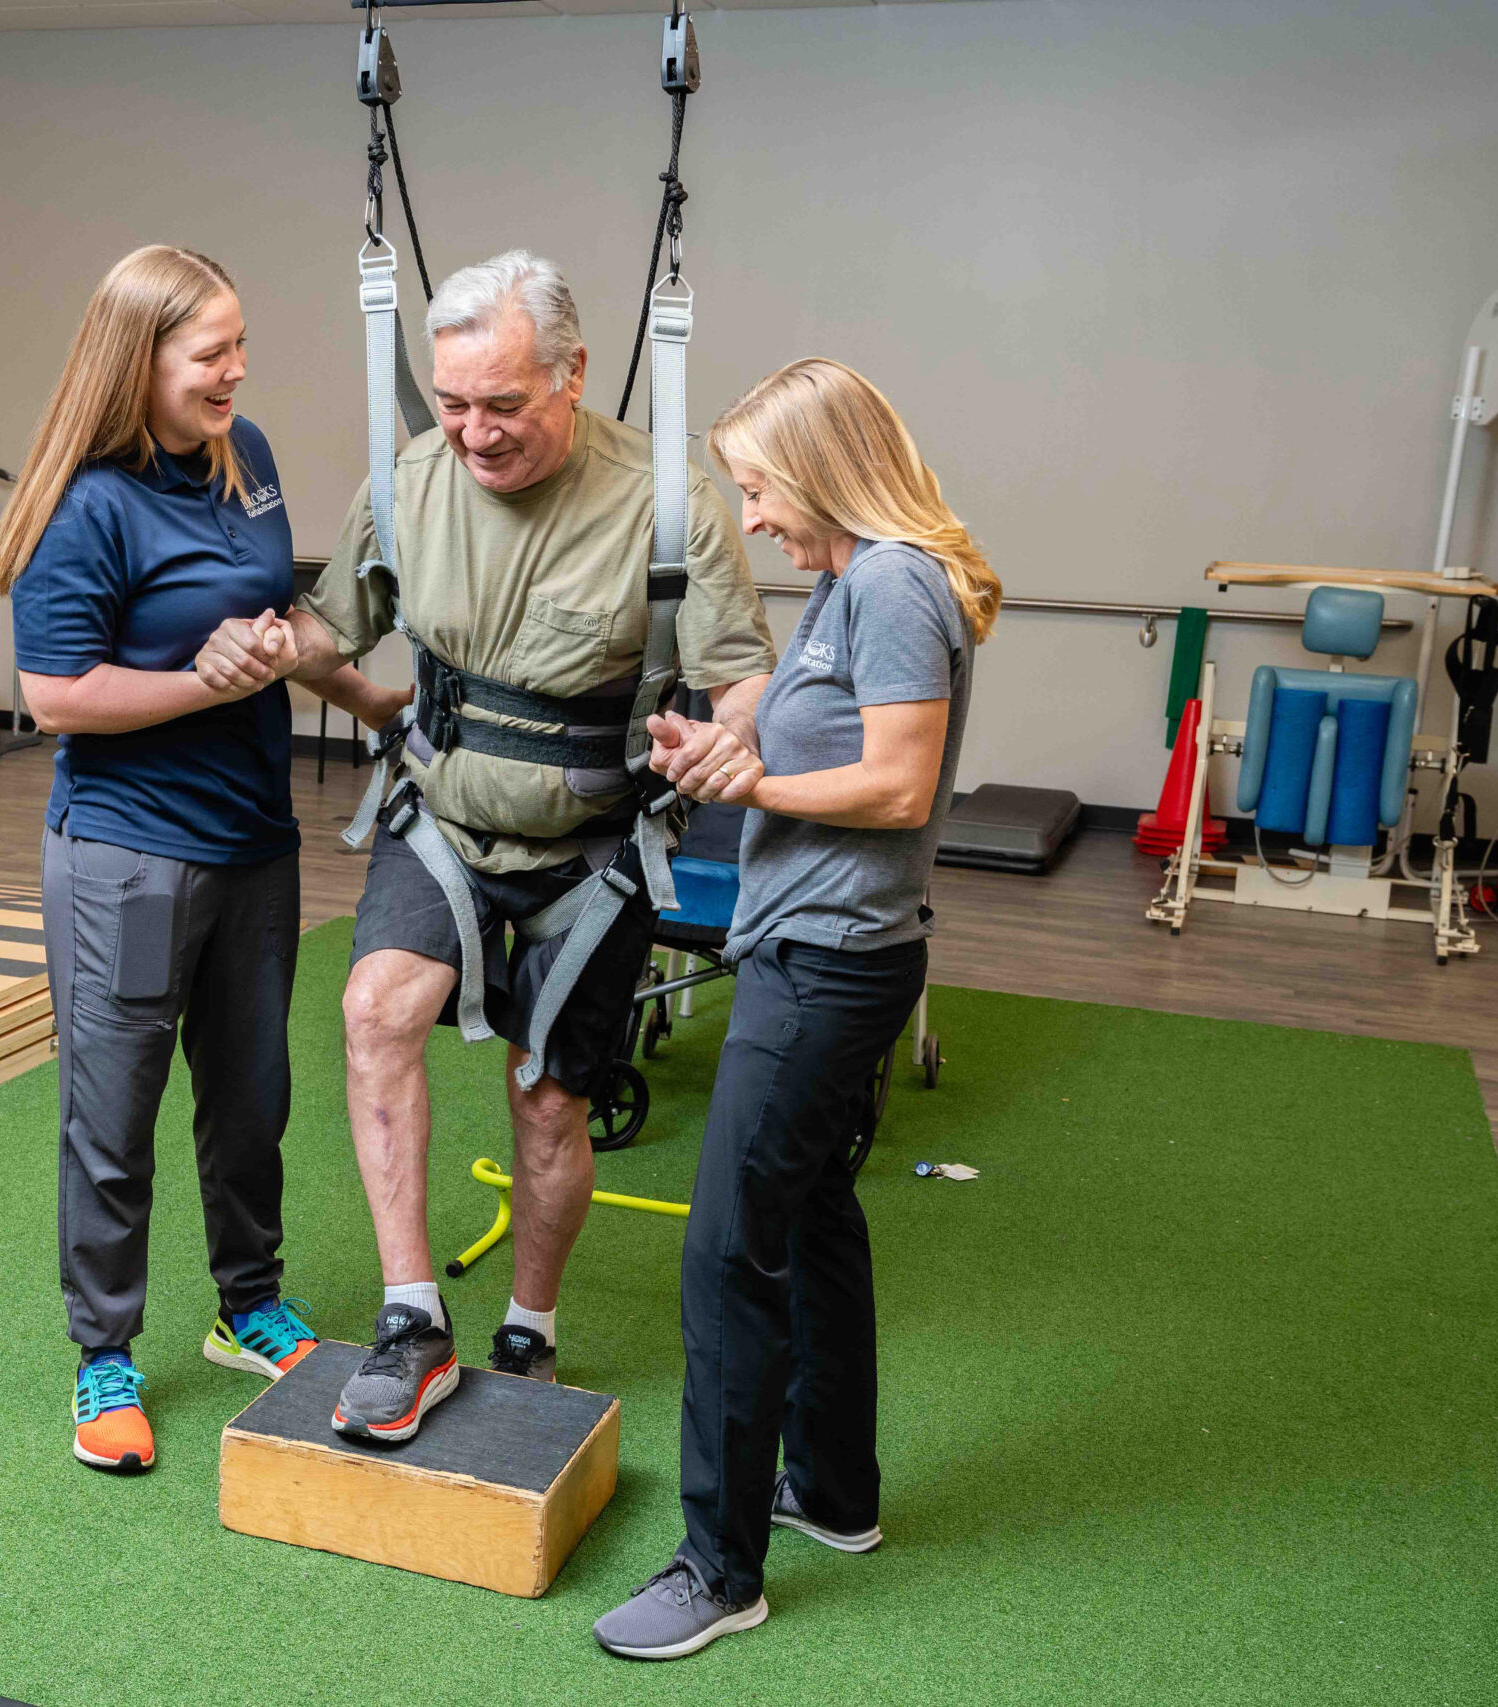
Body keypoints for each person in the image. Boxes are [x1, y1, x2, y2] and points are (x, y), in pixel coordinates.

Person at [202, 250, 777, 1439]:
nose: (473, 432)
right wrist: (270, 645)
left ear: (570, 376)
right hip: (443, 818)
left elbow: (741, 678)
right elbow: (333, 622)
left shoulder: (667, 505)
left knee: (549, 1104)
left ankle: (531, 1329)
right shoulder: (409, 475)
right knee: (376, 1011)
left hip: (598, 848)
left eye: (502, 405)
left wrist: (729, 743)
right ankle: (412, 1317)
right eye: (454, 402)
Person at [591, 358, 999, 1659]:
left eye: (760, 487)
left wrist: (755, 783)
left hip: (826, 962)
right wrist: (725, 743)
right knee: (814, 1213)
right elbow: (796, 716)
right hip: (822, 944)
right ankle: (832, 1487)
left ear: (822, 471)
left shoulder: (891, 583)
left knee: (727, 1250)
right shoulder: (848, 582)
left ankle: (721, 1568)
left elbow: (896, 785)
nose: (753, 515)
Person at [0, 245, 406, 1474]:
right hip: (128, 856)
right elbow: (55, 696)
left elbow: (275, 626)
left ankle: (248, 1304)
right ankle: (104, 1354)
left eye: (239, 345)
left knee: (251, 1097)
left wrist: (367, 699)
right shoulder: (87, 504)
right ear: (142, 360)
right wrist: (192, 680)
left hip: (251, 842)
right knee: (111, 1118)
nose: (236, 370)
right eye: (210, 352)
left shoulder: (248, 457)